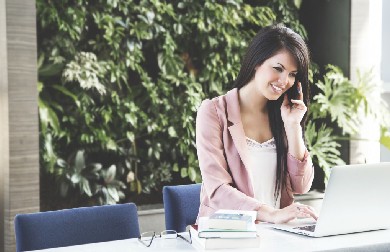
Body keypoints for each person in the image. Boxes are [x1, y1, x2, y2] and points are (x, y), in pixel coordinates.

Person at [196, 24, 318, 224]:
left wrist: (293, 127)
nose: (284, 80)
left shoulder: (283, 115)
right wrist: (271, 214)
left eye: (292, 74)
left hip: (278, 235)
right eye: (278, 68)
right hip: (229, 234)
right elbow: (217, 190)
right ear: (256, 62)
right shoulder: (213, 112)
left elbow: (301, 186)